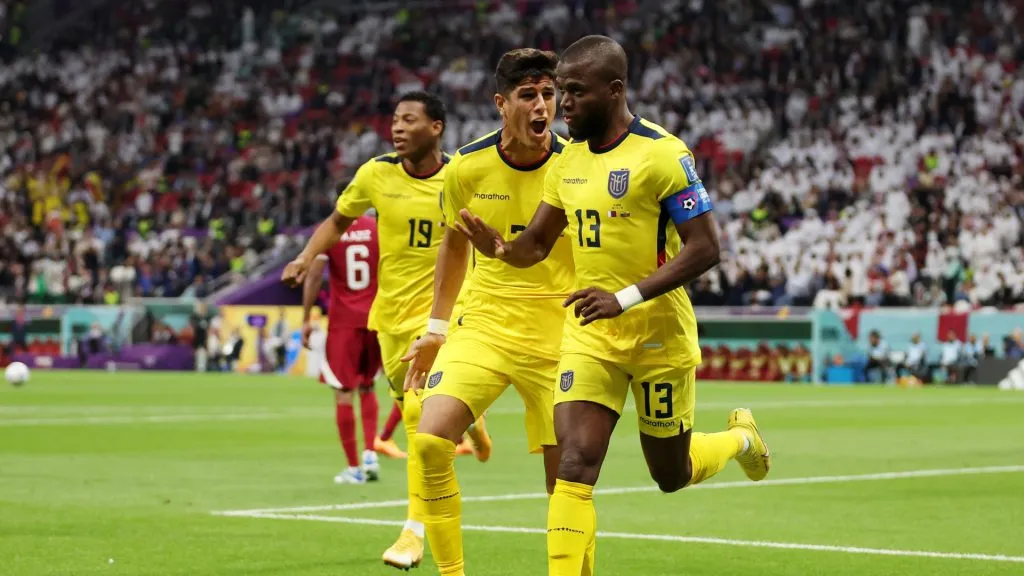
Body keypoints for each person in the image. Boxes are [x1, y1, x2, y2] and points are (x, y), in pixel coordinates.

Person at [456, 36, 771, 575]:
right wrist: (502, 251)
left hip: (656, 335)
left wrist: (623, 297)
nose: (563, 106)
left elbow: (705, 248)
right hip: (590, 332)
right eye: (560, 93)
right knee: (575, 464)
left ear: (615, 90)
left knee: (670, 474)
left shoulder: (663, 154)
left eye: (574, 93)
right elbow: (536, 244)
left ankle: (742, 438)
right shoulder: (568, 159)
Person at [280, 91, 491, 571]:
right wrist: (306, 256)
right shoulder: (376, 174)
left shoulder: (462, 175)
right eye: (394, 119)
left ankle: (412, 533)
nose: (396, 128)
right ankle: (473, 425)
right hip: (391, 320)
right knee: (426, 421)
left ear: (435, 127)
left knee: (419, 428)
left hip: (444, 318)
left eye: (409, 120)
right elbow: (338, 220)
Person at [400, 48, 573, 576]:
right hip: (486, 323)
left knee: (566, 487)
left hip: (559, 333)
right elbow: (453, 246)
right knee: (430, 442)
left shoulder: (576, 164)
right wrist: (434, 330)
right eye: (529, 95)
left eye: (549, 94)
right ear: (502, 104)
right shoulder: (467, 167)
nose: (542, 105)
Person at [300, 213, 383, 484]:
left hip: (344, 322)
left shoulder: (330, 228)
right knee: (368, 385)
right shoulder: (377, 228)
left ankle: (353, 468)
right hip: (374, 317)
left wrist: (306, 318)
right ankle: (371, 451)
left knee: (343, 393)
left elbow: (314, 274)